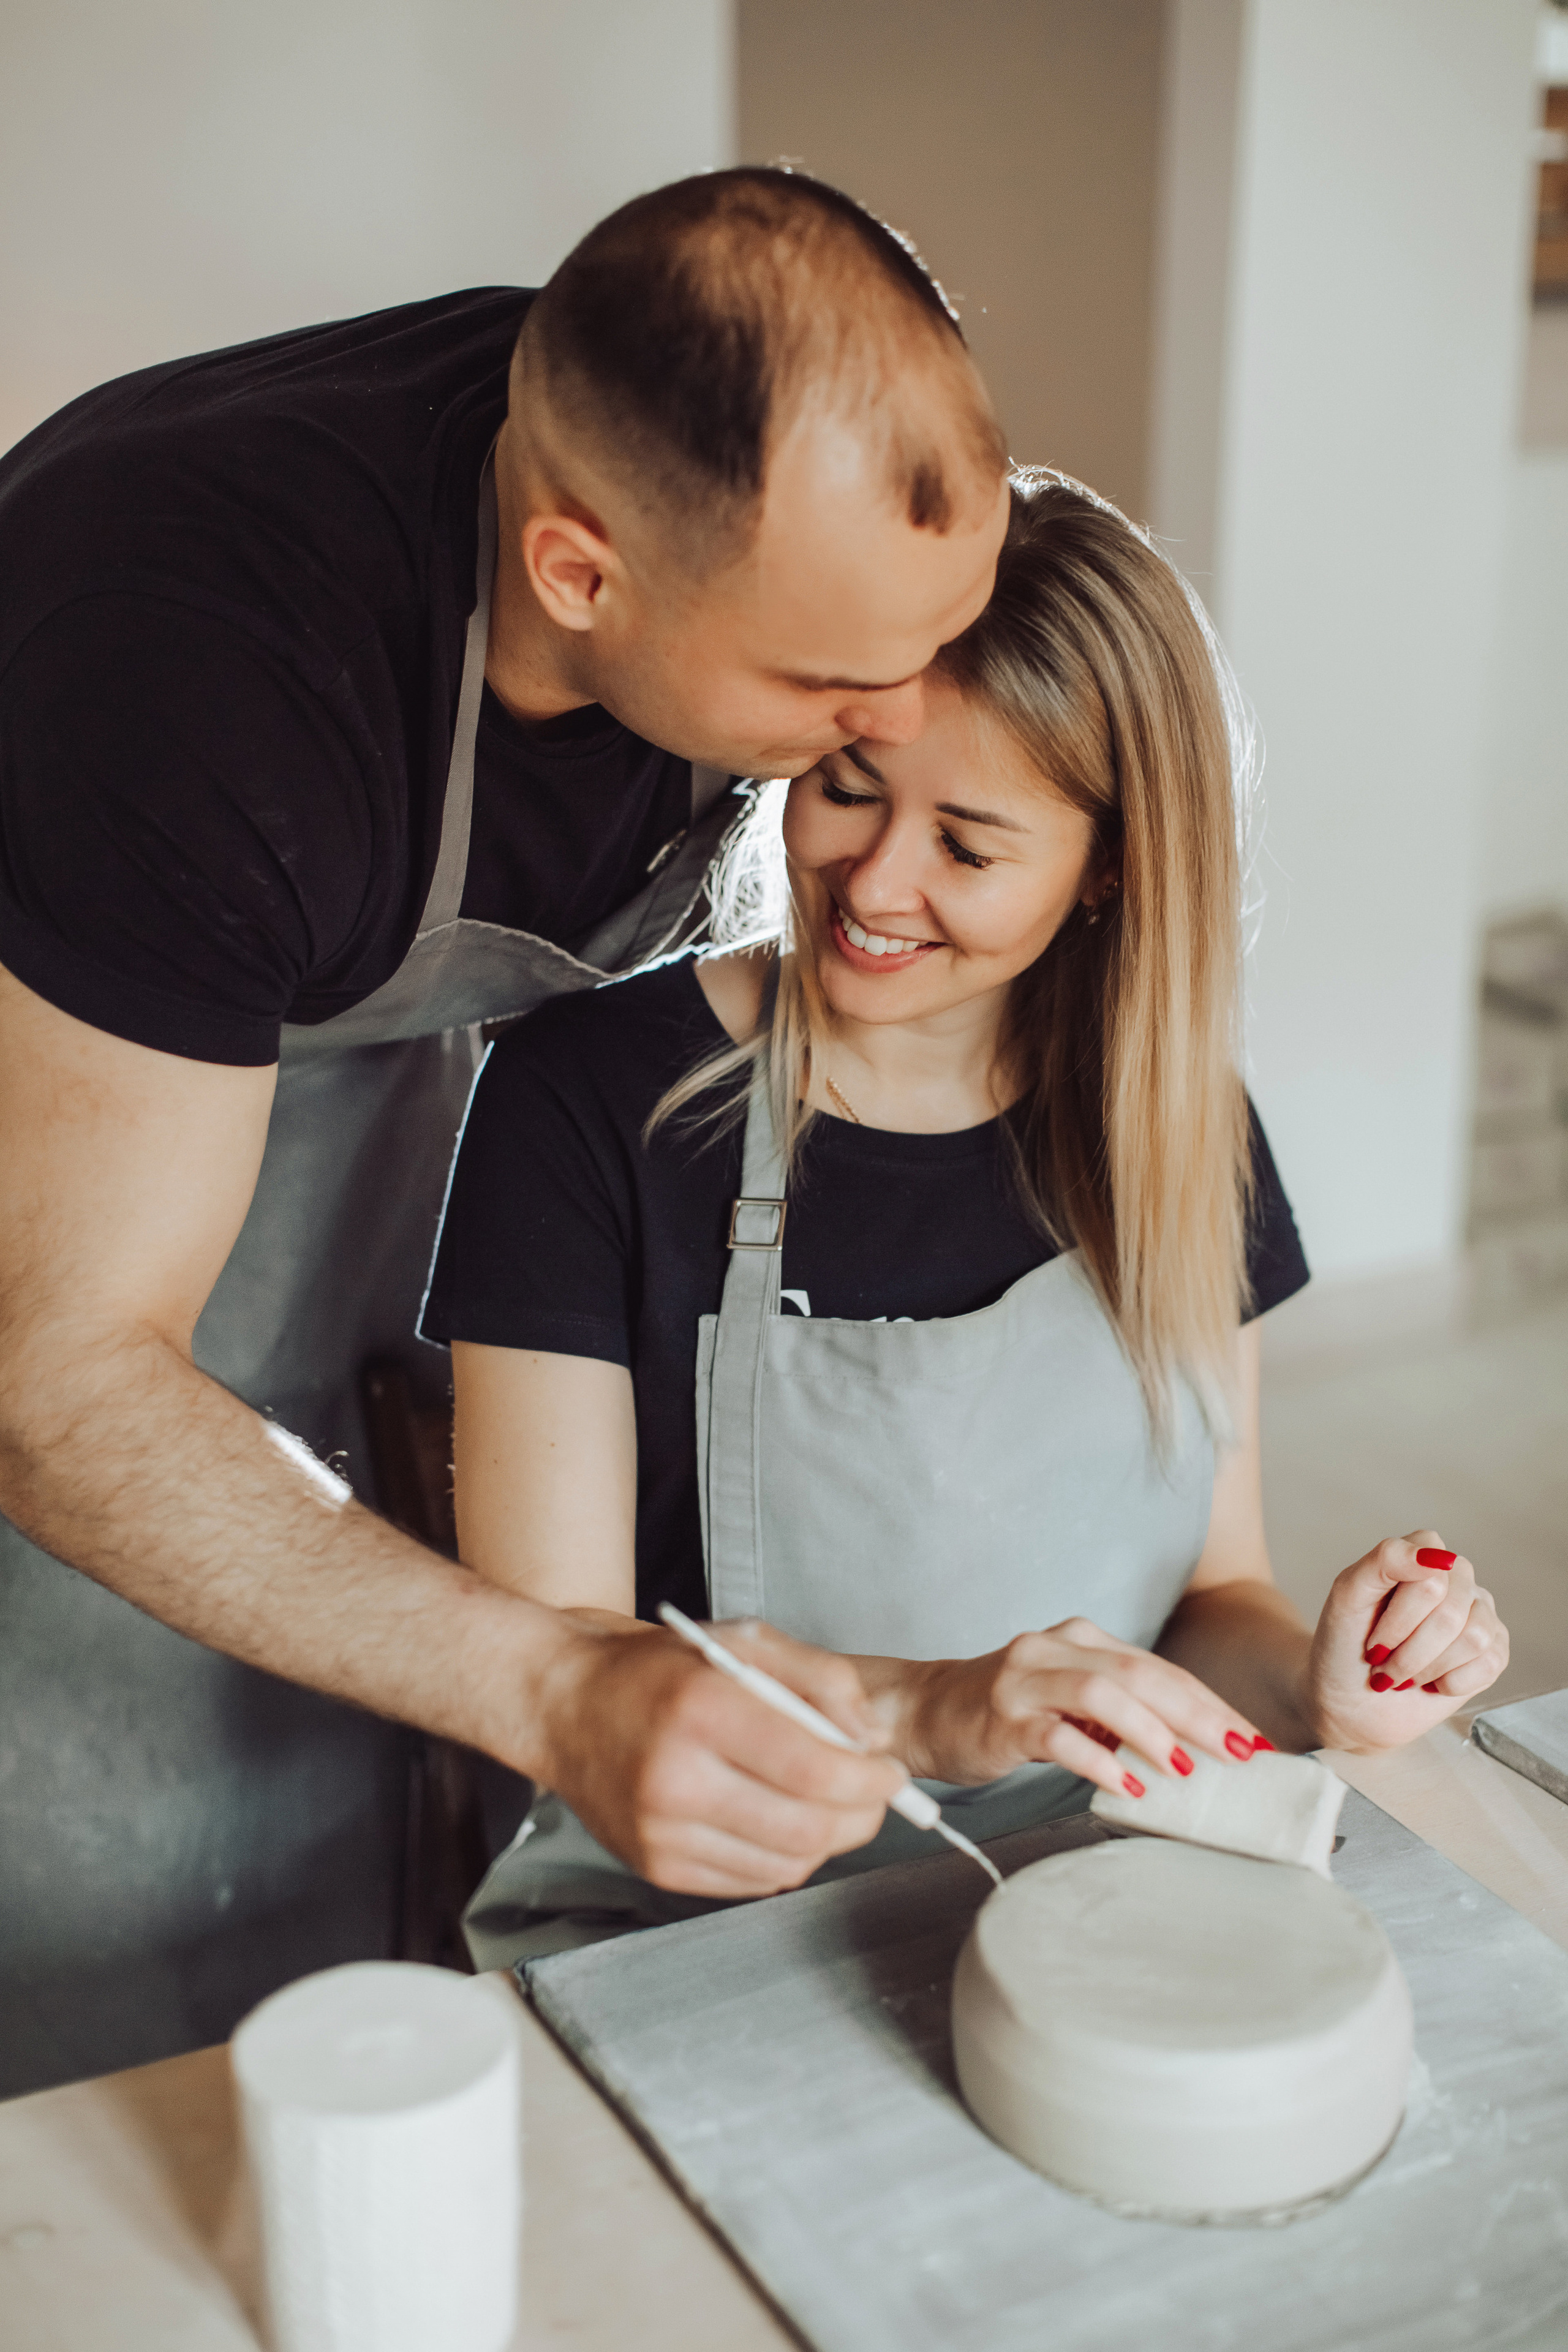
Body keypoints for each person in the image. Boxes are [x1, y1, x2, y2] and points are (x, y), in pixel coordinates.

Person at [0, 168, 1008, 2091]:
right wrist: (556, 1678)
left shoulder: (717, 479)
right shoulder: (199, 669)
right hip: (60, 1193)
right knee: (118, 1879)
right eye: (823, 690)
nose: (898, 717)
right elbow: (56, 1387)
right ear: (576, 575)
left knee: (379, 1811)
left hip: (346, 1131)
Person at [424, 471, 1510, 1963]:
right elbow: (560, 1676)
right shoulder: (585, 1101)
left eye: (969, 843)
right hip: (711, 1931)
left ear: (1107, 868)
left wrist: (1317, 1692)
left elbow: (1211, 1599)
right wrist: (936, 1706)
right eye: (848, 788)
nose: (872, 882)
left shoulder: (1176, 1129)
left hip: (1110, 1883)